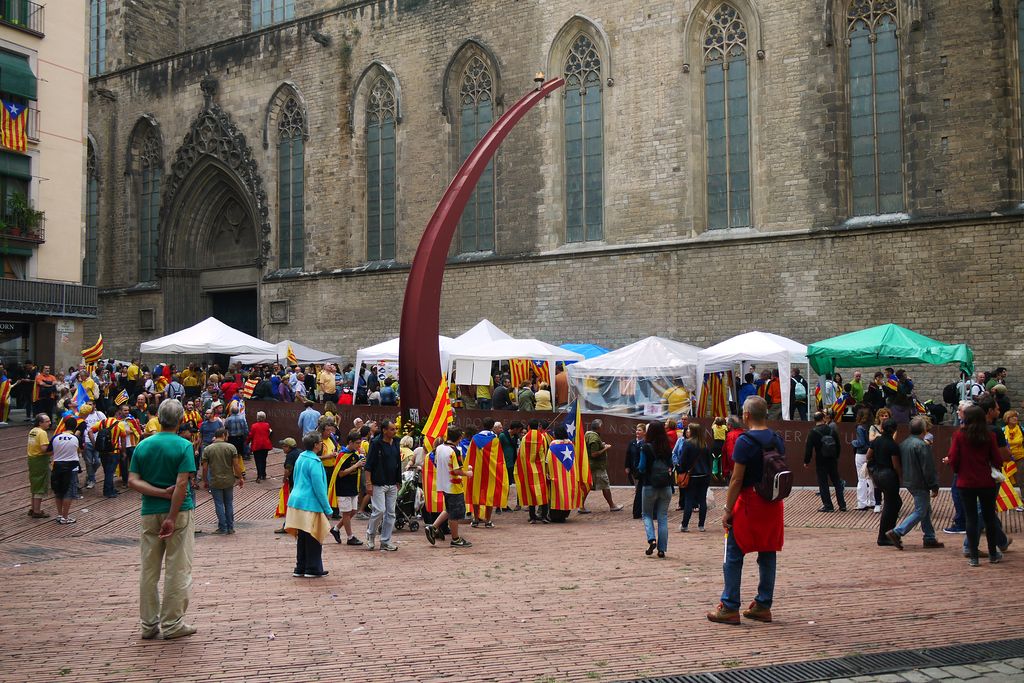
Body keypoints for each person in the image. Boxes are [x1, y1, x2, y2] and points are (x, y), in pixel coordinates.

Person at [707, 396, 783, 626]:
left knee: (733, 554)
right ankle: (763, 605)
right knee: (768, 553)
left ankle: (729, 606)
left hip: (750, 502)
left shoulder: (744, 441)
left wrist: (727, 509)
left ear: (747, 415)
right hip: (772, 503)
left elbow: (736, 479)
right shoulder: (777, 439)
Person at [127, 399, 197, 640]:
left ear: (158, 416)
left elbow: (133, 480)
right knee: (178, 568)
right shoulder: (184, 446)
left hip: (149, 511)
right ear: (180, 420)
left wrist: (156, 493)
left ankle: (148, 624)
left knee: (149, 569)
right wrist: (171, 515)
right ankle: (172, 623)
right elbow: (181, 484)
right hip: (178, 512)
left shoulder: (143, 446)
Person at [948, 406, 1006, 566]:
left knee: (971, 519)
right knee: (989, 518)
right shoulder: (990, 435)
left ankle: (974, 556)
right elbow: (997, 459)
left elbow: (953, 458)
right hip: (986, 481)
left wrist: (959, 470)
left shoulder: (959, 435)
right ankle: (993, 554)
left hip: (965, 482)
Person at [884, 416, 944, 550]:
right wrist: (934, 485)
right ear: (923, 429)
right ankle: (898, 531)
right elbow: (928, 468)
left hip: (909, 480)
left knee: (925, 509)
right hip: (920, 482)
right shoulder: (922, 445)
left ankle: (929, 537)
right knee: (921, 510)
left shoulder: (904, 443)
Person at [285, 431, 334, 577]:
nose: (321, 444)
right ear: (316, 445)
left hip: (296, 500)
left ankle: (301, 567)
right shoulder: (315, 462)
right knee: (313, 536)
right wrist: (327, 509)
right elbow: (319, 488)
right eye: (320, 442)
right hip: (309, 502)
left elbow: (295, 476)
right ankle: (312, 568)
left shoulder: (301, 456)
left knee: (302, 536)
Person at [425, 425, 474, 547]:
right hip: (454, 485)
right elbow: (457, 471)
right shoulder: (455, 451)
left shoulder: (439, 448)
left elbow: (438, 463)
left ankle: (433, 527)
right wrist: (468, 473)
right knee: (455, 514)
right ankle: (455, 539)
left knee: (448, 509)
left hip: (443, 484)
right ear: (459, 438)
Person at [637, 420, 673, 558]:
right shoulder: (666, 447)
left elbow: (641, 466)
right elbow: (671, 464)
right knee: (662, 517)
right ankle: (662, 549)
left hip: (649, 484)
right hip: (665, 485)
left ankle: (651, 539)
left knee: (646, 514)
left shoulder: (646, 447)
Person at [364, 419, 402, 551]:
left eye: (395, 429)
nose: (394, 431)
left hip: (392, 482)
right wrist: (368, 483)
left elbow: (398, 462)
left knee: (391, 513)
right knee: (379, 510)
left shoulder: (396, 442)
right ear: (384, 430)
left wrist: (398, 480)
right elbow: (368, 465)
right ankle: (370, 534)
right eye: (392, 429)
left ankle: (385, 541)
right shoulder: (375, 443)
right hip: (378, 482)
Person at [866, 418, 902, 546]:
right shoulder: (893, 445)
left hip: (877, 474)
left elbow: (868, 456)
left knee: (894, 503)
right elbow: (896, 465)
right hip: (888, 476)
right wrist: (900, 477)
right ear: (894, 430)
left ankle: (887, 533)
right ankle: (884, 535)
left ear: (882, 428)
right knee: (891, 504)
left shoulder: (877, 441)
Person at [201, 429, 243, 535]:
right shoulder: (231, 447)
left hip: (215, 480)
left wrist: (205, 480)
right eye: (227, 435)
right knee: (229, 503)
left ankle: (222, 527)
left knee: (219, 504)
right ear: (224, 435)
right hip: (229, 480)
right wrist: (240, 477)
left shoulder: (207, 449)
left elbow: (205, 468)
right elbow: (236, 465)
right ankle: (230, 527)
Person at [328, 431, 366, 546]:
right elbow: (340, 474)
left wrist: (362, 463)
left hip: (353, 486)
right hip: (343, 487)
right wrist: (355, 466)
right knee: (346, 513)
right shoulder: (342, 455)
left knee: (353, 511)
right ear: (350, 442)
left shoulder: (356, 453)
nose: (359, 446)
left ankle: (336, 529)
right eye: (357, 443)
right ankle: (350, 537)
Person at [804, 411, 846, 512]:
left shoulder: (813, 432)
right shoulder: (831, 430)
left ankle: (828, 505)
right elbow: (838, 445)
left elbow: (808, 448)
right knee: (837, 482)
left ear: (814, 420)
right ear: (823, 418)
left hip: (821, 460)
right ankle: (842, 504)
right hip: (832, 459)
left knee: (823, 483)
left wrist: (806, 461)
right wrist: (836, 457)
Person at [675, 422, 712, 532]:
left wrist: (681, 470)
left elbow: (683, 460)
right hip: (704, 475)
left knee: (689, 500)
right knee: (702, 500)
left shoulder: (688, 444)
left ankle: (685, 525)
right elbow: (709, 461)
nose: (687, 431)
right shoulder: (704, 444)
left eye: (689, 430)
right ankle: (701, 525)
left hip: (692, 475)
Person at [580, 419, 622, 513]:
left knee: (589, 486)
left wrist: (602, 445)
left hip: (592, 466)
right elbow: (594, 454)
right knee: (605, 485)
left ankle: (581, 506)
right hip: (597, 467)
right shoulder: (594, 438)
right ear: (599, 427)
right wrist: (605, 448)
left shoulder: (588, 435)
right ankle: (612, 506)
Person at [26, 413, 51, 518]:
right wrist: (55, 450)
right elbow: (44, 449)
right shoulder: (42, 433)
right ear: (40, 423)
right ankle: (37, 511)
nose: (49, 423)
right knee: (40, 485)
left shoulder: (33, 431)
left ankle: (33, 508)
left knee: (35, 484)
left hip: (32, 459)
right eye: (47, 421)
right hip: (40, 460)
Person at [625, 423, 646, 520]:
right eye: (637, 430)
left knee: (640, 490)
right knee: (638, 489)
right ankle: (639, 509)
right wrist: (627, 466)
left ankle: (640, 509)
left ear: (644, 432)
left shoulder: (645, 443)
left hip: (641, 470)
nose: (637, 432)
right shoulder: (632, 443)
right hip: (634, 470)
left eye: (640, 430)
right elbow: (628, 455)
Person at [1005, 410, 1024, 510]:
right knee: (1007, 480)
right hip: (1007, 459)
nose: (1015, 419)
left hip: (1020, 457)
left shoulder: (1021, 429)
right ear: (1007, 419)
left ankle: (1023, 501)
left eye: (1016, 417)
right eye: (1012, 417)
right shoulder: (1004, 430)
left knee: (1021, 480)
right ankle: (1009, 502)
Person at [247, 411, 273, 482]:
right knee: (263, 460)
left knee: (257, 460)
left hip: (257, 445)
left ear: (257, 417)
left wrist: (247, 442)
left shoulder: (254, 426)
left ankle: (259, 475)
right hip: (265, 445)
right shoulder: (267, 425)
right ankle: (264, 474)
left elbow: (250, 435)